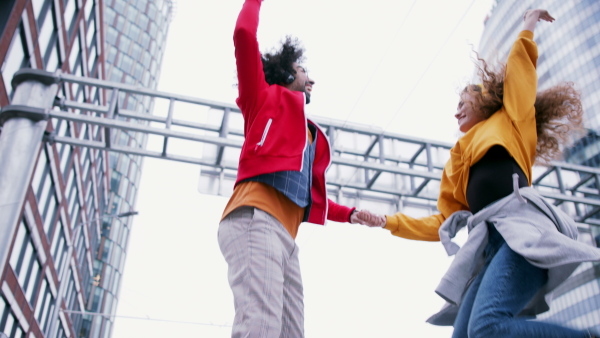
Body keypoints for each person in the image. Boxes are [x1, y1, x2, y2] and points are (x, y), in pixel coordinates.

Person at [358, 9, 600, 338]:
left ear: (486, 100)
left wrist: (527, 25)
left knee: (486, 328)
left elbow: (519, 71)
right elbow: (442, 221)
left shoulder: (510, 119)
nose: (456, 109)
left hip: (522, 233)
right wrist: (388, 222)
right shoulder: (457, 160)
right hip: (490, 247)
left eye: (464, 101)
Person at [217, 0, 373, 337]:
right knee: (260, 327)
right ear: (287, 72)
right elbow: (243, 33)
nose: (311, 78)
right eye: (303, 70)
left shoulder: (309, 134)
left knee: (291, 333)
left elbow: (304, 196)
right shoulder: (260, 99)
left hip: (285, 236)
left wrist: (350, 214)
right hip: (255, 220)